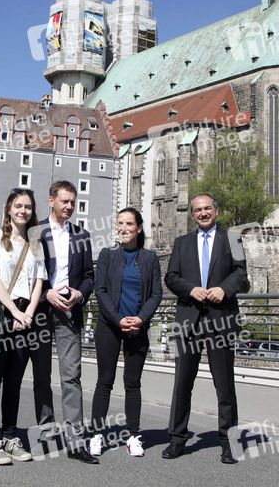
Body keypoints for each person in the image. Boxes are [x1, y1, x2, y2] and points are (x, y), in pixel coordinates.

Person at [162, 194, 248, 465]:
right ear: (193, 215)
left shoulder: (232, 239)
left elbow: (241, 274)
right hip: (189, 319)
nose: (203, 213)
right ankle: (177, 440)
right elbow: (171, 277)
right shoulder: (181, 243)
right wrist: (191, 289)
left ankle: (228, 443)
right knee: (182, 383)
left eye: (207, 208)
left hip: (220, 319)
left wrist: (224, 289)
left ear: (216, 211)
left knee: (224, 385)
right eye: (198, 210)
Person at [30, 180, 97, 463]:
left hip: (70, 311)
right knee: (42, 375)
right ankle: (46, 434)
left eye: (72, 202)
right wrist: (47, 292)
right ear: (51, 201)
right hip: (41, 309)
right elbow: (29, 273)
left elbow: (89, 276)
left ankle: (75, 441)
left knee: (71, 376)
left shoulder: (82, 235)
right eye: (64, 201)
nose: (69, 206)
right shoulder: (36, 232)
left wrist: (80, 293)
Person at [0, 188, 45, 465]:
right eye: (18, 206)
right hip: (1, 313)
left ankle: (10, 436)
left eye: (27, 207)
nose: (23, 211)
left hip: (24, 317)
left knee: (15, 381)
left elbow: (39, 280)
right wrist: (15, 312)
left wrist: (28, 313)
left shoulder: (35, 240)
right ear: (9, 208)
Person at [89, 208, 162, 457]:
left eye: (129, 224)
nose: (123, 228)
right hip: (109, 326)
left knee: (132, 383)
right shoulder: (107, 255)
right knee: (104, 380)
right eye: (120, 223)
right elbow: (100, 291)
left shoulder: (150, 258)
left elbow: (156, 294)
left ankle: (133, 436)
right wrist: (118, 319)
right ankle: (97, 435)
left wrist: (140, 319)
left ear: (139, 228)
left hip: (137, 327)